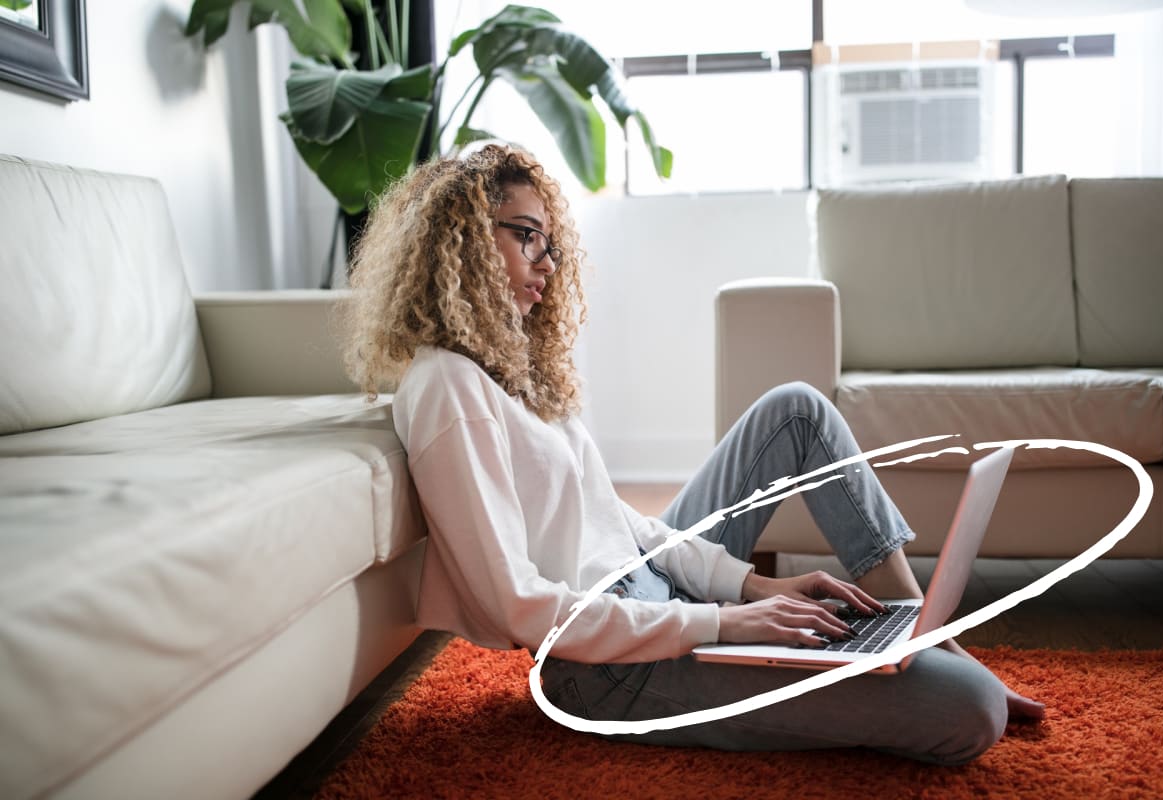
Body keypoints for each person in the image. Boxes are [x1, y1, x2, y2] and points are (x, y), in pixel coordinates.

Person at [341, 144, 1043, 766]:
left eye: (550, 244)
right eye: (526, 237)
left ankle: (924, 630)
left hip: (654, 597)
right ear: (460, 240)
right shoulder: (447, 387)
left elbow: (619, 524)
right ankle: (929, 656)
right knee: (971, 710)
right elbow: (522, 607)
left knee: (794, 409)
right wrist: (721, 622)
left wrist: (749, 588)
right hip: (604, 670)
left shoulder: (509, 368)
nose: (546, 264)